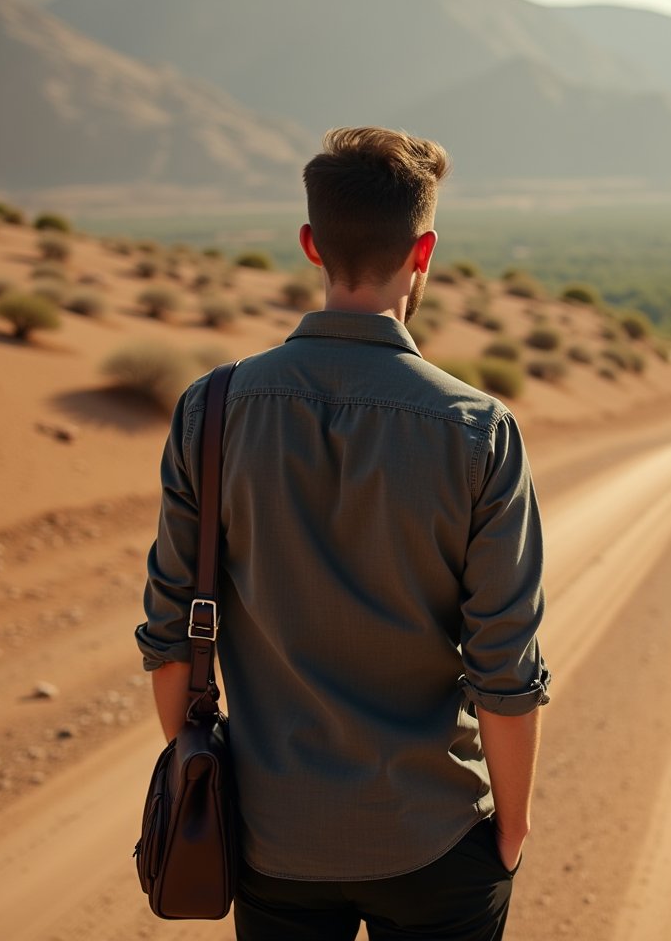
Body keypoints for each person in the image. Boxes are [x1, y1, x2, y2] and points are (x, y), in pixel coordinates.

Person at [136, 127, 549, 940]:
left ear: (310, 245)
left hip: (269, 839)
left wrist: (212, 785)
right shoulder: (478, 430)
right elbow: (506, 667)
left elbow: (169, 637)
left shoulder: (211, 410)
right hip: (435, 840)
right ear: (423, 250)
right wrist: (512, 825)